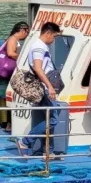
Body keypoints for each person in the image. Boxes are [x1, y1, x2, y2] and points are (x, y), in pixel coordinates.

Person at [25, 22, 63, 155]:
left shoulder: (41, 46)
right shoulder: (39, 47)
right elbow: (38, 68)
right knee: (53, 119)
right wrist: (50, 86)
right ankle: (26, 141)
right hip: (44, 88)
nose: (53, 40)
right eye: (54, 37)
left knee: (47, 118)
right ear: (47, 33)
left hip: (44, 87)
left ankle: (48, 151)